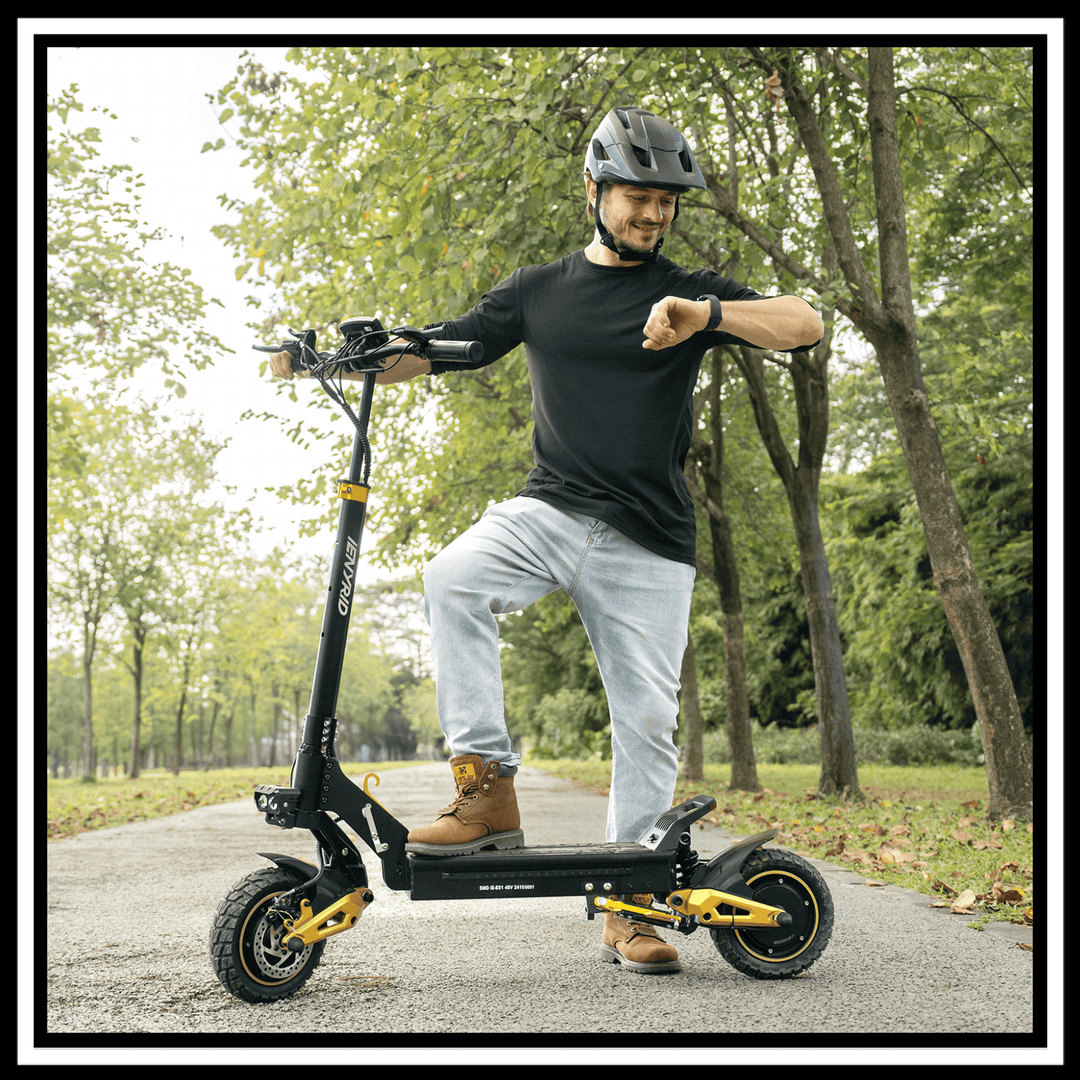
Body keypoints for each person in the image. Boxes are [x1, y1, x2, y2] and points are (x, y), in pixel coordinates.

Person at [269, 106, 823, 972]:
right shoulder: (539, 289)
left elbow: (804, 323)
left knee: (646, 723)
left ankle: (631, 907)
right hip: (552, 510)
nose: (653, 214)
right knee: (453, 575)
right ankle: (485, 794)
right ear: (596, 189)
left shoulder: (685, 288)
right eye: (637, 196)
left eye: (667, 202)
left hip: (650, 537)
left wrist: (704, 313)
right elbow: (444, 347)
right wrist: (329, 362)